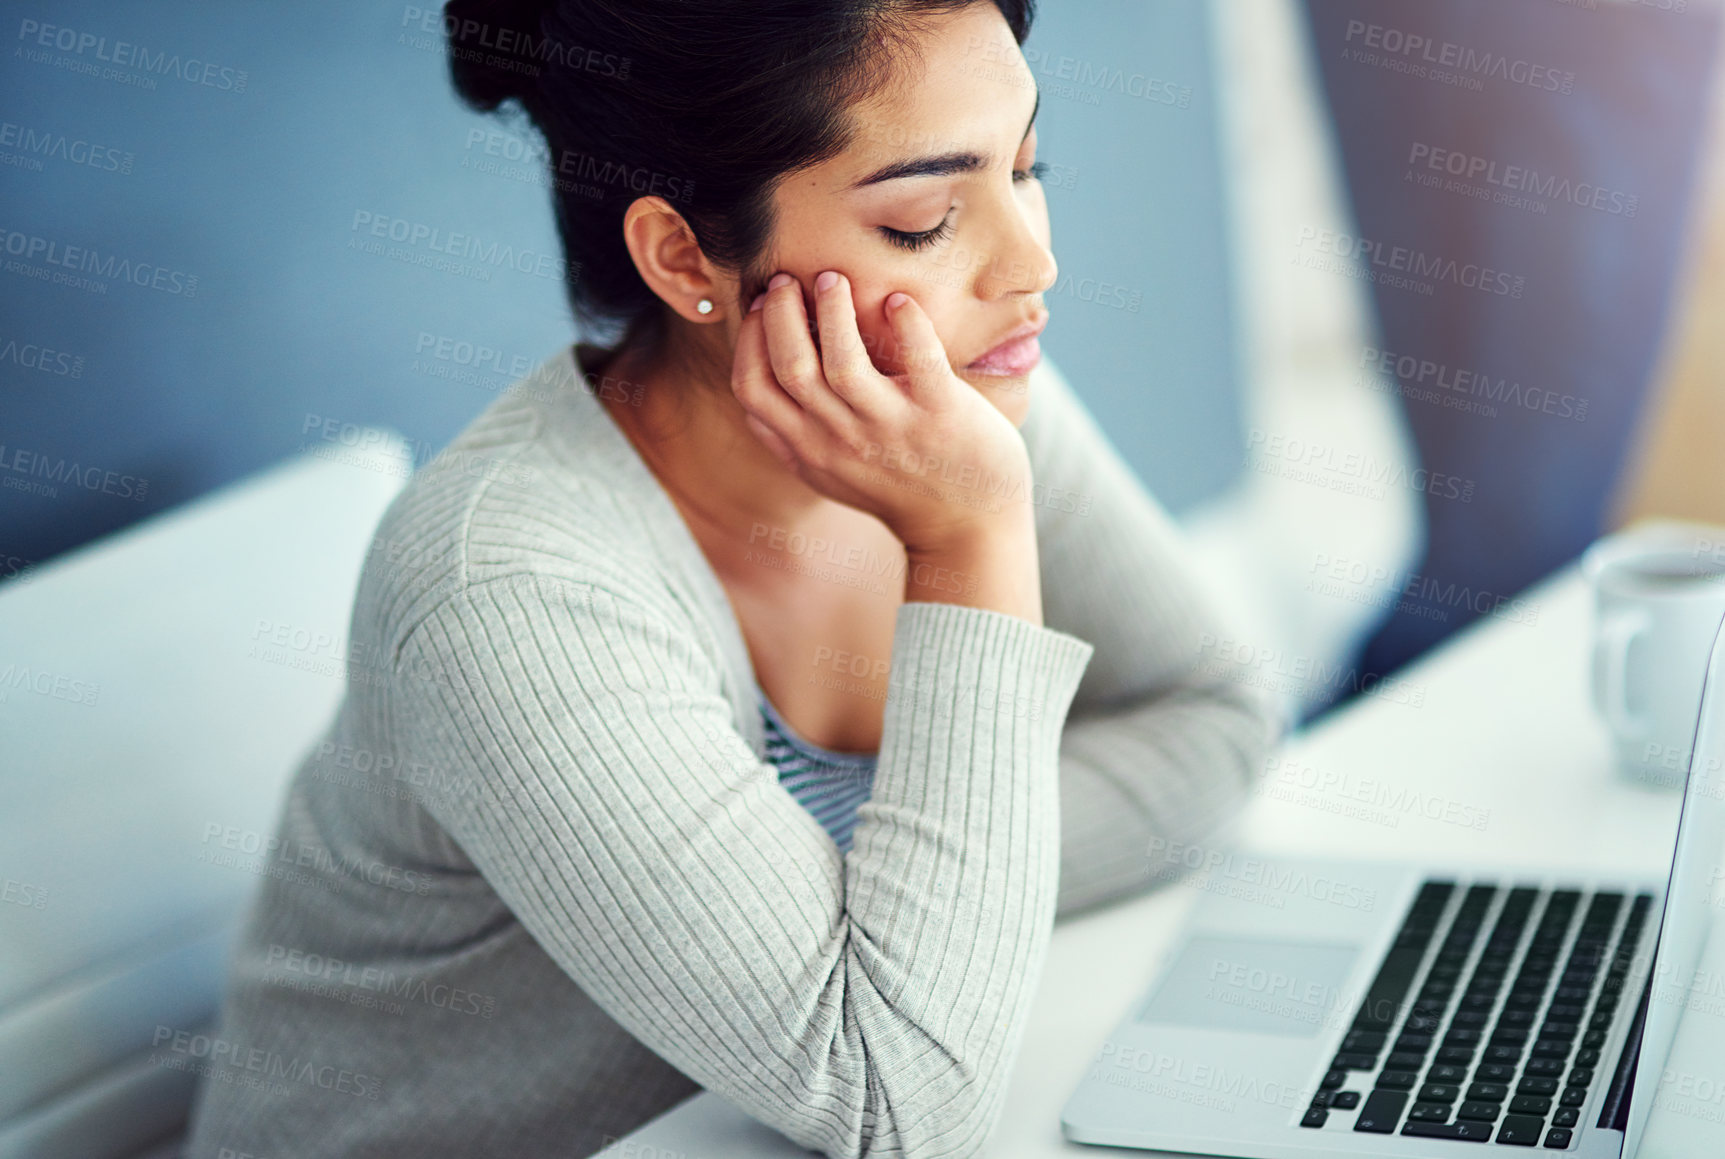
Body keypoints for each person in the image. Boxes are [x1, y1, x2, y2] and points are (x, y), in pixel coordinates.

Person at [183, 2, 1279, 1156]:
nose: (1032, 263)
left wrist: (884, 932)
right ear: (684, 255)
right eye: (926, 218)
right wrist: (968, 547)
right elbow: (901, 1099)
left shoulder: (948, 400)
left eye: (1027, 164)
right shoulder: (505, 593)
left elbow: (1214, 723)